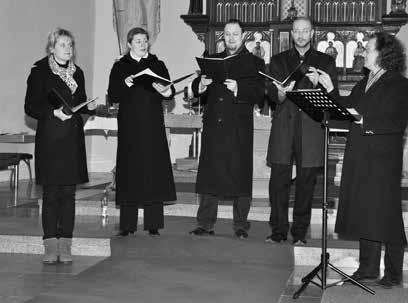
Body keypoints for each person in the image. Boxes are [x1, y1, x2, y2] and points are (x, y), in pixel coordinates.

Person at [317, 32, 408, 288]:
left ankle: (393, 274)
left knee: (387, 217)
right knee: (365, 213)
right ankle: (368, 268)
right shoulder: (364, 82)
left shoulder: (401, 85)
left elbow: (395, 121)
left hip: (382, 160)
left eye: (368, 48)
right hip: (360, 156)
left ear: (384, 53)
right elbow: (346, 107)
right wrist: (330, 90)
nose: (363, 53)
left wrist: (362, 120)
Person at [24, 28, 97, 264]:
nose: (68, 49)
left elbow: (80, 101)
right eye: (63, 45)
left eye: (70, 45)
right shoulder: (40, 72)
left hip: (71, 139)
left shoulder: (79, 73)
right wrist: (52, 112)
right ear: (52, 47)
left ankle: (65, 244)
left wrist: (89, 107)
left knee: (68, 194)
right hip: (50, 139)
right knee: (52, 193)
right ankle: (50, 245)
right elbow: (31, 107)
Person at [188, 19, 265, 239]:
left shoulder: (254, 63)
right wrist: (200, 85)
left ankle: (241, 225)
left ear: (243, 36)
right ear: (223, 36)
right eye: (227, 34)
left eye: (235, 34)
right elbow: (197, 88)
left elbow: (261, 93)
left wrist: (239, 88)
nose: (231, 38)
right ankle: (205, 223)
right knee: (210, 174)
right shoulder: (212, 59)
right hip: (214, 125)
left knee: (240, 176)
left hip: (239, 127)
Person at [265, 17, 338, 244]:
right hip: (284, 127)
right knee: (278, 181)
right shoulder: (278, 60)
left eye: (305, 31)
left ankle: (299, 233)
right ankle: (278, 231)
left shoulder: (325, 61)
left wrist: (320, 84)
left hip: (310, 128)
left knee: (306, 183)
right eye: (297, 31)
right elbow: (270, 95)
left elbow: (332, 99)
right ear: (292, 33)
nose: (301, 35)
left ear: (312, 33)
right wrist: (281, 93)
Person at [107, 27, 176, 237]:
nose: (142, 44)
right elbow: (113, 94)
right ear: (129, 44)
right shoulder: (120, 66)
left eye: (145, 40)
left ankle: (153, 224)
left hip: (153, 126)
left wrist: (167, 90)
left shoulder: (157, 64)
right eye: (138, 41)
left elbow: (169, 91)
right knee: (129, 172)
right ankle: (127, 225)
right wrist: (125, 82)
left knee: (153, 172)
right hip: (130, 126)